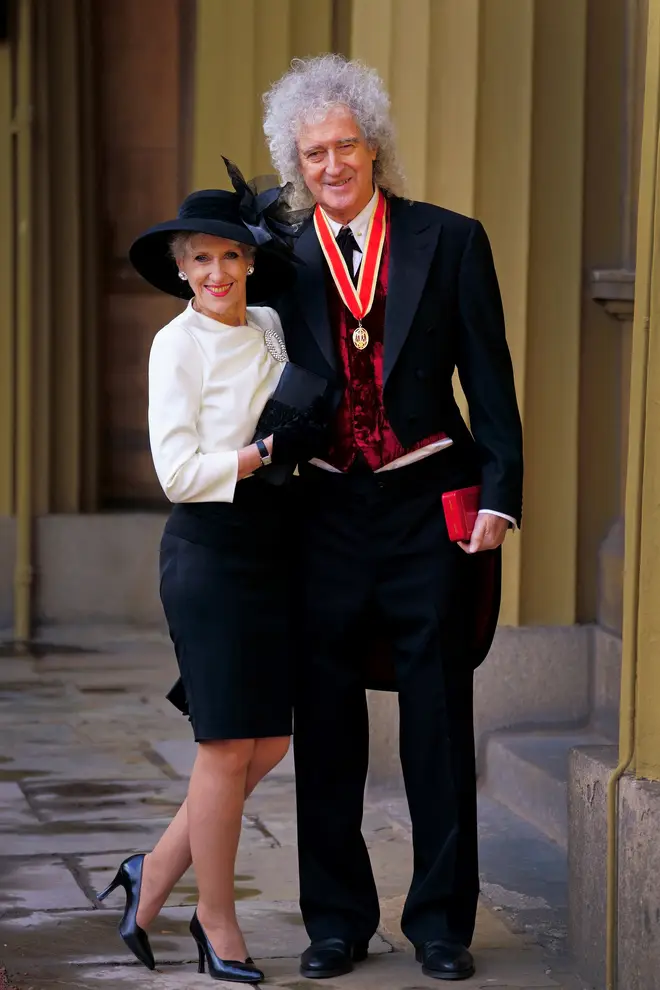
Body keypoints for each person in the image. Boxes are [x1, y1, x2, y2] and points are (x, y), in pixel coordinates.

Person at [262, 55, 524, 982]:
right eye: (312, 153)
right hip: (321, 508)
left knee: (438, 720)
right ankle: (336, 921)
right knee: (324, 719)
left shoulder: (449, 240)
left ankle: (443, 925)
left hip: (427, 506)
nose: (331, 165)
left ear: (373, 145)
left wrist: (500, 492)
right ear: (295, 163)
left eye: (345, 145)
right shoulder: (277, 257)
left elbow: (488, 380)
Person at [96, 165, 326, 984]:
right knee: (227, 745)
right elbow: (176, 472)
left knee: (267, 741)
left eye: (230, 256)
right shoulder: (174, 345)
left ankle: (150, 872)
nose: (218, 274)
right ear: (182, 270)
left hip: (272, 550)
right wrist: (262, 453)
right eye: (201, 261)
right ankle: (214, 917)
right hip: (209, 551)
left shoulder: (268, 322)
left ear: (249, 261)